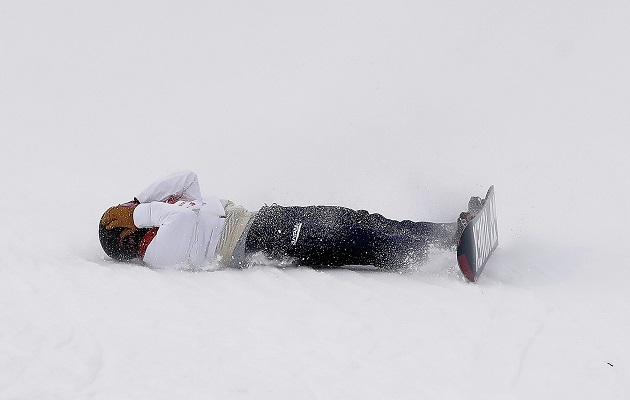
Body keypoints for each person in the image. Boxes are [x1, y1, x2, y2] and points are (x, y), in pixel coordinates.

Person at [99, 171, 478, 271]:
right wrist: (143, 211)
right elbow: (188, 213)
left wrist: (139, 200)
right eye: (124, 213)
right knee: (353, 238)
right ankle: (435, 254)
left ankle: (447, 234)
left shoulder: (157, 218)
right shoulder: (156, 253)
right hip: (261, 241)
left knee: (358, 219)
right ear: (126, 233)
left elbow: (187, 177)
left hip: (264, 220)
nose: (130, 207)